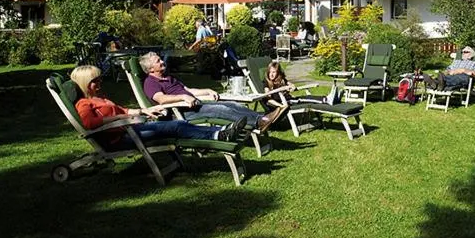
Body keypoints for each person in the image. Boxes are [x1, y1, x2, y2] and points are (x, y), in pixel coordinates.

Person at [70, 65, 246, 149]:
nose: (99, 83)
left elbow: (124, 110)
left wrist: (144, 110)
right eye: (95, 81)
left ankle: (220, 132)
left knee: (180, 124)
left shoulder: (100, 98)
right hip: (121, 138)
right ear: (85, 83)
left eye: (100, 79)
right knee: (176, 126)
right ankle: (217, 135)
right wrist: (121, 118)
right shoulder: (83, 103)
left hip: (131, 128)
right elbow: (89, 124)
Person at [139, 52, 285, 133]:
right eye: (158, 61)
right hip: (180, 112)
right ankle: (259, 122)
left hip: (194, 105)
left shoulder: (169, 77)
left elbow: (189, 90)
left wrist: (207, 90)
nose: (162, 62)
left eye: (160, 59)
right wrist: (183, 97)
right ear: (151, 69)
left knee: (232, 104)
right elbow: (161, 99)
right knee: (220, 109)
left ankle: (262, 118)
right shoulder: (150, 82)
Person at [263, 60, 336, 108]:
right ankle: (326, 100)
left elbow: (291, 85)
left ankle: (330, 99)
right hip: (285, 102)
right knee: (304, 99)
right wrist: (281, 106)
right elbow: (268, 98)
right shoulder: (267, 82)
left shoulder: (281, 80)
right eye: (270, 72)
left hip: (289, 99)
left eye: (274, 72)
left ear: (278, 73)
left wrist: (291, 87)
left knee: (306, 98)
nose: (271, 74)